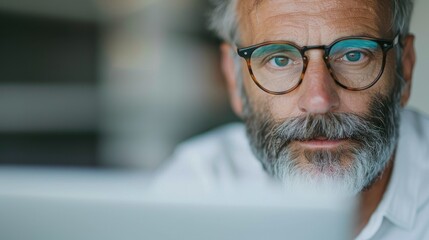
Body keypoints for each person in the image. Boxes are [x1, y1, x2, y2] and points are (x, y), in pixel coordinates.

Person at [153, 0, 429, 239]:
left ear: (404, 66)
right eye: (279, 59)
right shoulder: (196, 188)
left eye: (353, 55)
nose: (318, 101)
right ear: (233, 77)